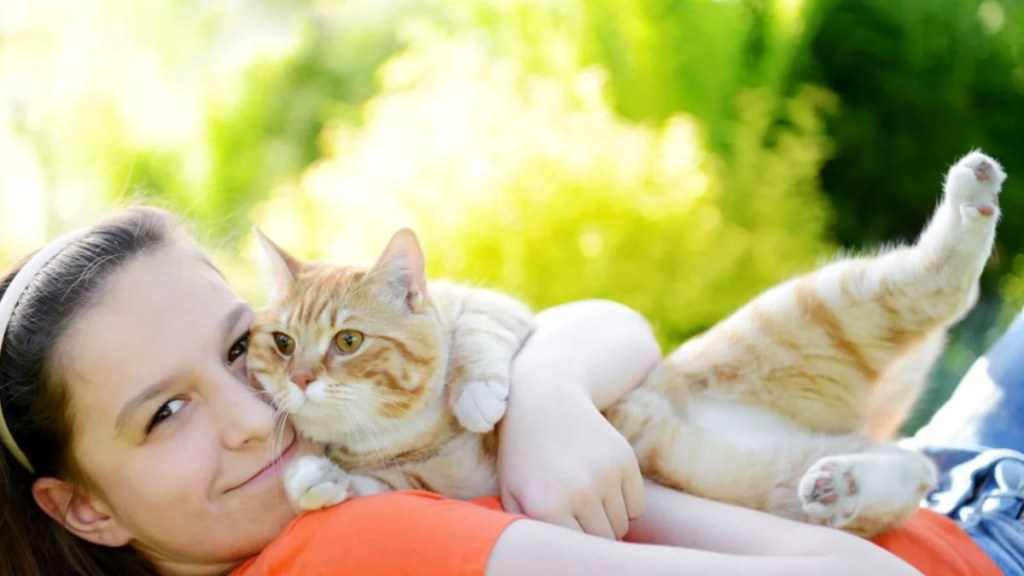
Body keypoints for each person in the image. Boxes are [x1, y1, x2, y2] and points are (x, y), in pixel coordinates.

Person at [0, 206, 999, 576]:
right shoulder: (346, 544)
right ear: (83, 506)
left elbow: (595, 327)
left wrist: (546, 397)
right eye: (163, 413)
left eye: (238, 350)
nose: (253, 412)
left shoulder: (343, 470)